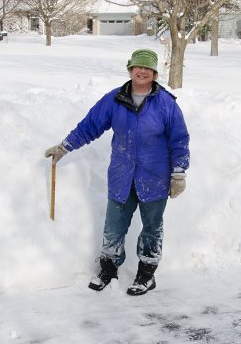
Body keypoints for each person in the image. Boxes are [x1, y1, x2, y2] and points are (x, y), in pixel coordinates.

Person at [44, 49, 190, 296]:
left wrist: (178, 173)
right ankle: (108, 268)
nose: (142, 71)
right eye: (137, 67)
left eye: (147, 68)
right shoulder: (115, 99)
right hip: (122, 175)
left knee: (152, 227)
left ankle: (147, 273)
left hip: (154, 177)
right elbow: (90, 126)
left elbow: (179, 140)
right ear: (130, 70)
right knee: (114, 225)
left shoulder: (166, 104)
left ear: (154, 73)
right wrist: (64, 147)